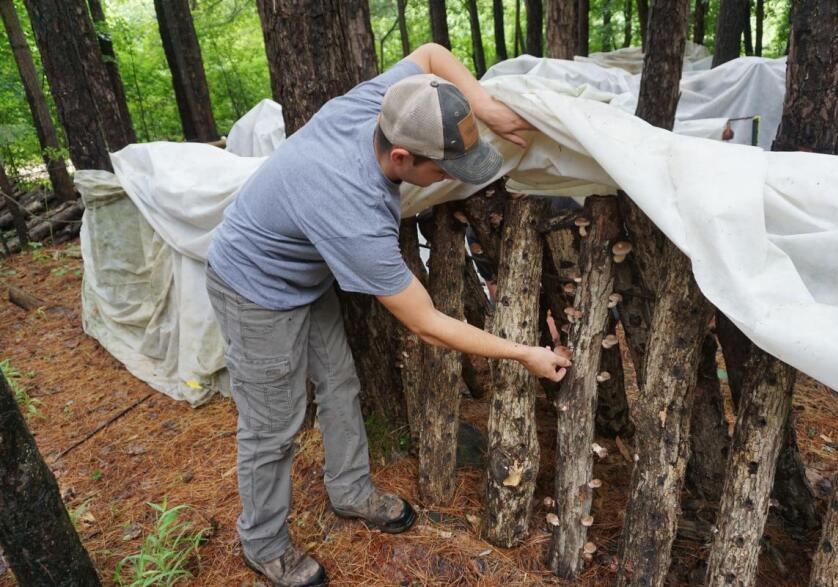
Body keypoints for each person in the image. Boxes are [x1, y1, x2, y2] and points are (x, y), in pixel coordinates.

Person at [205, 42, 570, 587]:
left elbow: (428, 54)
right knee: (272, 426)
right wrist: (525, 353)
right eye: (444, 169)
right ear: (401, 158)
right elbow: (427, 324)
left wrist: (486, 109)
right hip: (253, 288)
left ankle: (350, 492)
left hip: (302, 274)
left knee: (340, 384)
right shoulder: (353, 212)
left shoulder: (389, 103)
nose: (452, 177)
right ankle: (264, 544)